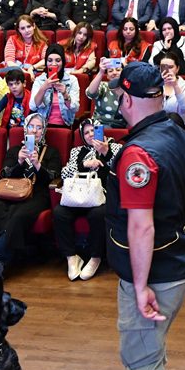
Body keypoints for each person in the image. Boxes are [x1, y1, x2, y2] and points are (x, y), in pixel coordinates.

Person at [101, 62, 185, 370]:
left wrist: (140, 287)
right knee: (150, 345)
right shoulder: (177, 130)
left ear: (127, 98)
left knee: (142, 356)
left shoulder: (137, 155)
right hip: (179, 262)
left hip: (153, 273)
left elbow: (141, 226)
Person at [0, 112, 62, 274]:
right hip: (10, 192)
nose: (34, 131)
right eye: (31, 127)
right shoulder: (14, 150)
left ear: (44, 130)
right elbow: (5, 174)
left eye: (39, 128)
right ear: (25, 129)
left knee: (18, 216)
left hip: (37, 193)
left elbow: (53, 177)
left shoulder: (51, 152)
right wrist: (19, 162)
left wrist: (37, 165)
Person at [53, 119, 122, 281]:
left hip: (103, 196)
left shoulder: (115, 147)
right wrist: (84, 164)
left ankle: (95, 257)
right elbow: (64, 173)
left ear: (101, 131)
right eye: (86, 132)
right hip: (78, 195)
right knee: (60, 212)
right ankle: (71, 257)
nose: (91, 135)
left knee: (97, 215)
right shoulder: (77, 151)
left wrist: (106, 153)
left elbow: (121, 171)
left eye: (94, 130)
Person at [29, 45, 81, 127]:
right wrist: (43, 88)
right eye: (50, 60)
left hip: (65, 125)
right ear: (46, 62)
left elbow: (75, 108)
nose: (53, 64)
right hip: (43, 127)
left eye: (58, 60)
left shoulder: (72, 80)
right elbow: (33, 106)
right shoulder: (39, 80)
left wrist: (65, 94)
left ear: (63, 62)